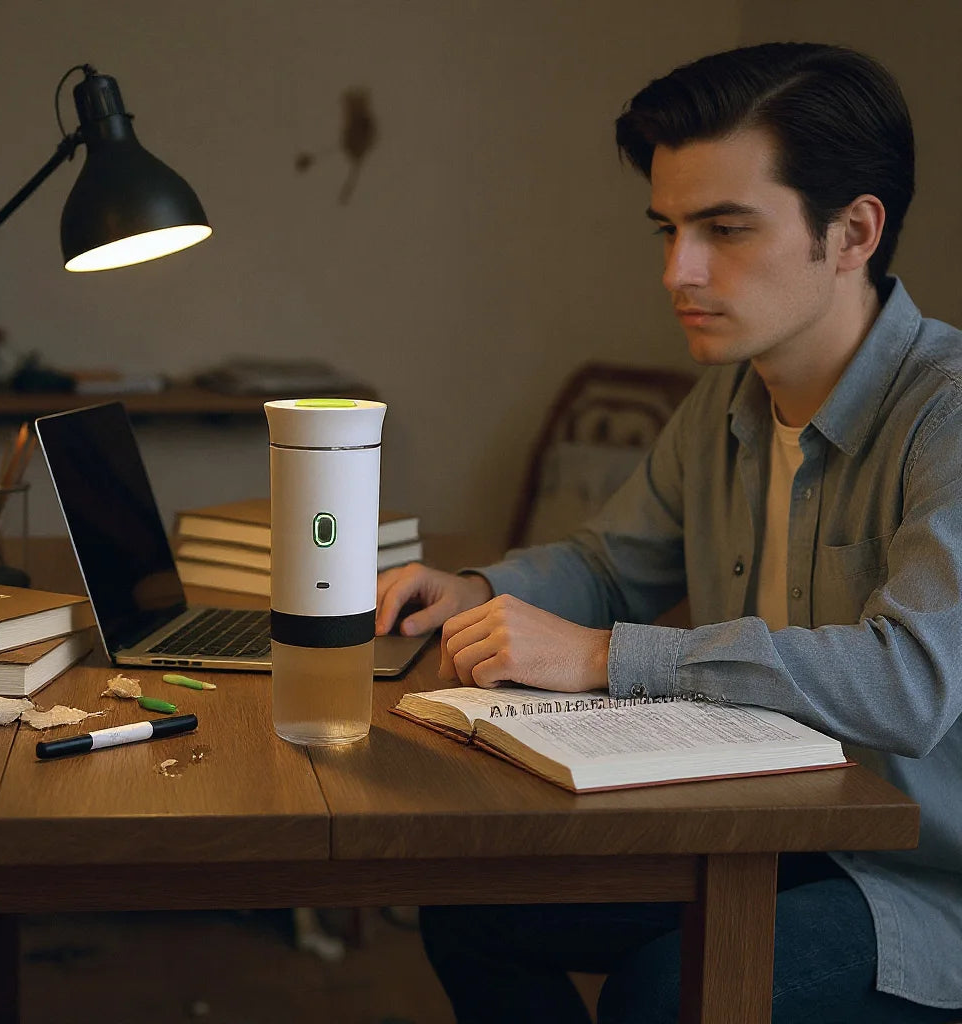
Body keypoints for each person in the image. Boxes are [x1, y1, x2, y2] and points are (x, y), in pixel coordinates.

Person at [374, 42, 962, 1024]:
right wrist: (479, 590)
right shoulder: (727, 398)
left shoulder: (944, 414)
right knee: (472, 911)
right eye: (669, 227)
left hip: (925, 884)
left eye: (724, 229)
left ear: (853, 231)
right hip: (773, 832)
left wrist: (607, 655)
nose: (676, 270)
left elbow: (908, 680)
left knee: (668, 991)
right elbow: (609, 563)